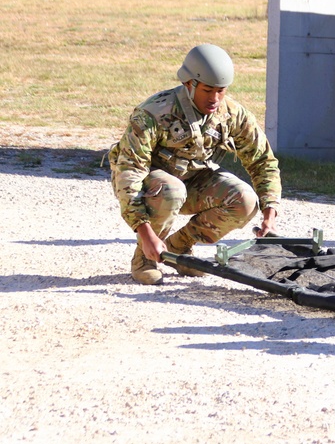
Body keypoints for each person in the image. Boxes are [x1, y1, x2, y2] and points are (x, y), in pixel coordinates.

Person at [109, 44, 282, 285]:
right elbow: (129, 173)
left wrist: (269, 214)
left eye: (221, 91)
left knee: (245, 200)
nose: (215, 98)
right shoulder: (154, 113)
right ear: (189, 84)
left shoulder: (232, 114)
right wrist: (144, 232)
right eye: (208, 90)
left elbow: (262, 161)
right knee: (171, 190)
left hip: (194, 181)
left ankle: (178, 248)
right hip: (153, 187)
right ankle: (144, 258)